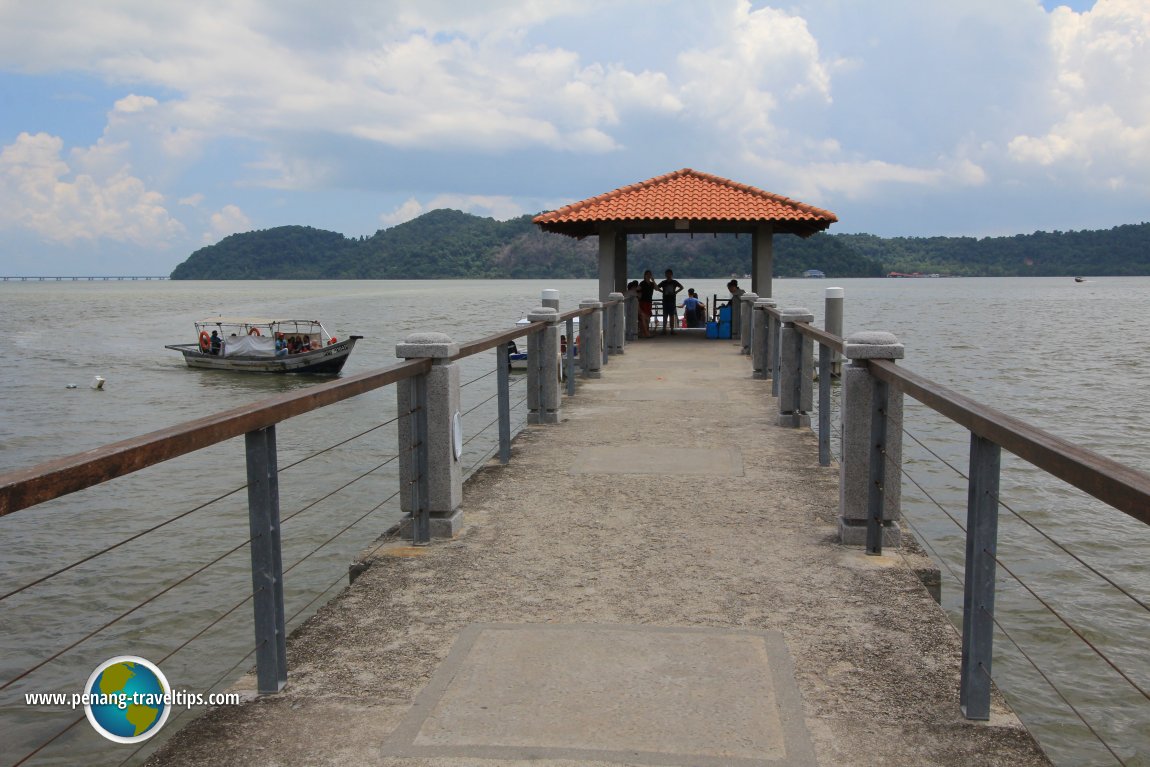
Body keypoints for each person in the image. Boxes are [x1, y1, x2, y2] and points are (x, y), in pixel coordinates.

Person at [656, 269, 684, 334]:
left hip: (672, 301)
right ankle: (664, 329)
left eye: (669, 274)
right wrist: (662, 291)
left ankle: (672, 329)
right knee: (665, 315)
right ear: (665, 275)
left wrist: (676, 292)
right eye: (667, 274)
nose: (668, 275)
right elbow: (657, 288)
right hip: (665, 301)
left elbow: (682, 287)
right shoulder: (663, 282)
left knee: (671, 316)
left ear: (671, 275)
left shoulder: (674, 282)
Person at [637, 270, 656, 337]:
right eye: (647, 274)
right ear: (644, 276)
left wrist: (653, 281)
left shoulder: (651, 284)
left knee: (648, 318)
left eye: (649, 274)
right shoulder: (642, 283)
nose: (648, 276)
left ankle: (645, 332)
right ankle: (646, 333)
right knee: (644, 317)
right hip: (643, 302)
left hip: (649, 302)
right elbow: (637, 289)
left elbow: (657, 288)